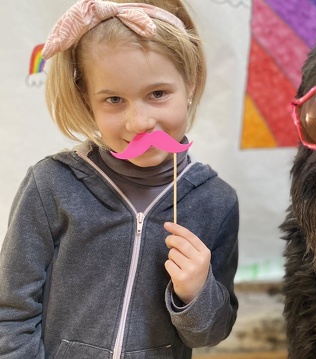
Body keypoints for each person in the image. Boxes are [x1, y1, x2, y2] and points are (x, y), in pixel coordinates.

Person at [0, 0, 239, 358]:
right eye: (114, 99)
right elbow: (11, 312)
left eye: (157, 94)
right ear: (87, 101)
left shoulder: (217, 202)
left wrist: (196, 293)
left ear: (190, 83)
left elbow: (210, 334)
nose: (139, 123)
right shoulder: (50, 186)